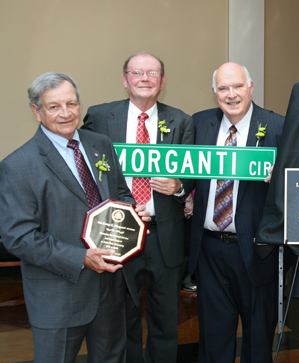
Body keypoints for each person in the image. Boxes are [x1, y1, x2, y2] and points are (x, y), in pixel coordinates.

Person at [0, 72, 150, 363]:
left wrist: (132, 212)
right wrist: (81, 258)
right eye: (54, 106)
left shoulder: (100, 144)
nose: (66, 113)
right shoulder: (18, 166)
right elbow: (18, 238)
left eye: (71, 103)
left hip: (110, 290)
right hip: (58, 296)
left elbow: (120, 193)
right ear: (37, 111)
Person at [82, 51, 194, 363]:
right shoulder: (101, 117)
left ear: (162, 83)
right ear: (125, 80)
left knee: (164, 318)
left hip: (165, 235)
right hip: (117, 232)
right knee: (121, 315)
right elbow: (88, 170)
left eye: (152, 74)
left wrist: (179, 187)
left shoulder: (181, 122)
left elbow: (193, 175)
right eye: (137, 73)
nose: (144, 79)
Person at [188, 62, 283, 362]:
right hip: (209, 252)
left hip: (257, 252)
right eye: (223, 88)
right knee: (213, 342)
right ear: (215, 93)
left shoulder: (279, 127)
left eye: (238, 86)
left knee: (257, 342)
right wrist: (181, 191)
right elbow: (188, 175)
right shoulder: (199, 123)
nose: (231, 94)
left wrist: (278, 179)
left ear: (251, 87)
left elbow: (297, 185)